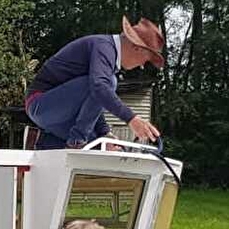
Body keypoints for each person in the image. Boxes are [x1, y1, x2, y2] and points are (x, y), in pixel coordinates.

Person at [26, 16, 166, 150]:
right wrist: (132, 118)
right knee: (109, 83)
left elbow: (93, 102)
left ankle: (40, 141)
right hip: (40, 104)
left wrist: (105, 133)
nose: (142, 65)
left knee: (101, 143)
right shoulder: (104, 47)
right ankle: (77, 142)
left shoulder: (106, 55)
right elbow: (98, 88)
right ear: (137, 48)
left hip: (55, 111)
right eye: (145, 60)